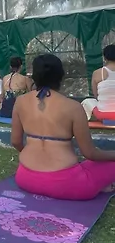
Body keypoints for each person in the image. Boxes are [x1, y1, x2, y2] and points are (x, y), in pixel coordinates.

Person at [12, 54, 115, 200]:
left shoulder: (20, 101)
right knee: (102, 165)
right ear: (61, 76)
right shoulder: (73, 107)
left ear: (34, 76)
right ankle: (101, 185)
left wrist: (35, 157)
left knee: (89, 166)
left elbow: (16, 141)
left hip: (25, 177)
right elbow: (90, 153)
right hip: (66, 183)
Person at [81, 45, 115, 121]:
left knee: (88, 101)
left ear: (105, 58)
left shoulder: (97, 73)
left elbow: (96, 96)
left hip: (103, 114)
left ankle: (86, 122)